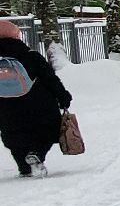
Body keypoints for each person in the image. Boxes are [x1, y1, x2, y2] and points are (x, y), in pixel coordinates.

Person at [0, 20, 72, 178]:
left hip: (6, 107)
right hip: (39, 105)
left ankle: (24, 168)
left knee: (13, 136)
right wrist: (63, 96)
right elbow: (50, 79)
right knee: (48, 130)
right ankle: (36, 153)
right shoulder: (31, 56)